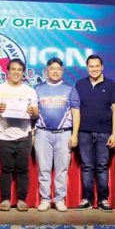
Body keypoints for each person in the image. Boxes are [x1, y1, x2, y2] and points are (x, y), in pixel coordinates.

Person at [34, 57, 80, 212]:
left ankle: (59, 199)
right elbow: (33, 112)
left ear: (62, 71)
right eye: (52, 68)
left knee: (62, 169)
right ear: (46, 71)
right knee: (44, 168)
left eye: (58, 69)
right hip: (42, 133)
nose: (55, 71)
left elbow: (76, 112)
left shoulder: (70, 88)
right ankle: (45, 199)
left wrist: (74, 135)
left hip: (64, 134)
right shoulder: (38, 88)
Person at [75, 54, 115, 212]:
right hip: (83, 132)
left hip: (104, 133)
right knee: (87, 166)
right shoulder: (80, 84)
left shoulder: (111, 85)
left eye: (96, 66)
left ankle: (103, 200)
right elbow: (75, 111)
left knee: (101, 166)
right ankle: (87, 199)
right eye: (91, 66)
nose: (94, 69)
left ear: (102, 67)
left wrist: (114, 134)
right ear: (87, 68)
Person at [0, 58, 38, 211]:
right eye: (13, 69)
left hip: (24, 135)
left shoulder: (30, 91)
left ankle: (21, 200)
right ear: (7, 71)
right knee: (6, 169)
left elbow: (36, 113)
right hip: (4, 135)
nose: (16, 72)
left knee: (22, 169)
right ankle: (5, 199)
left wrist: (33, 112)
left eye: (19, 70)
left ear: (23, 73)